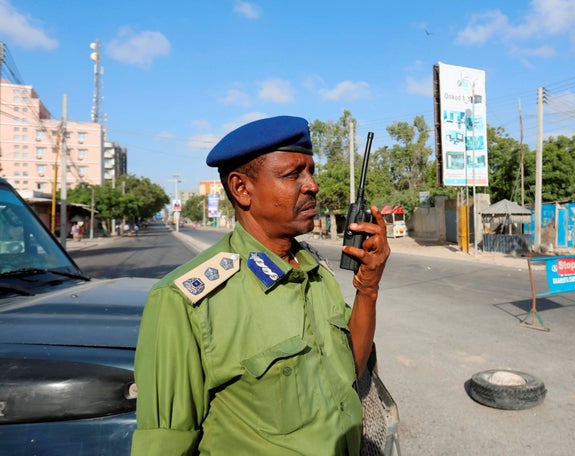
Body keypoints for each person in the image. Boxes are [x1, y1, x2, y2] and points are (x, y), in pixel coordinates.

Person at [131, 115, 390, 455]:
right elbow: (165, 445)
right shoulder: (185, 301)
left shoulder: (315, 270)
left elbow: (351, 371)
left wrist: (367, 289)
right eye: (293, 173)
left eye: (311, 171)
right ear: (242, 189)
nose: (312, 185)